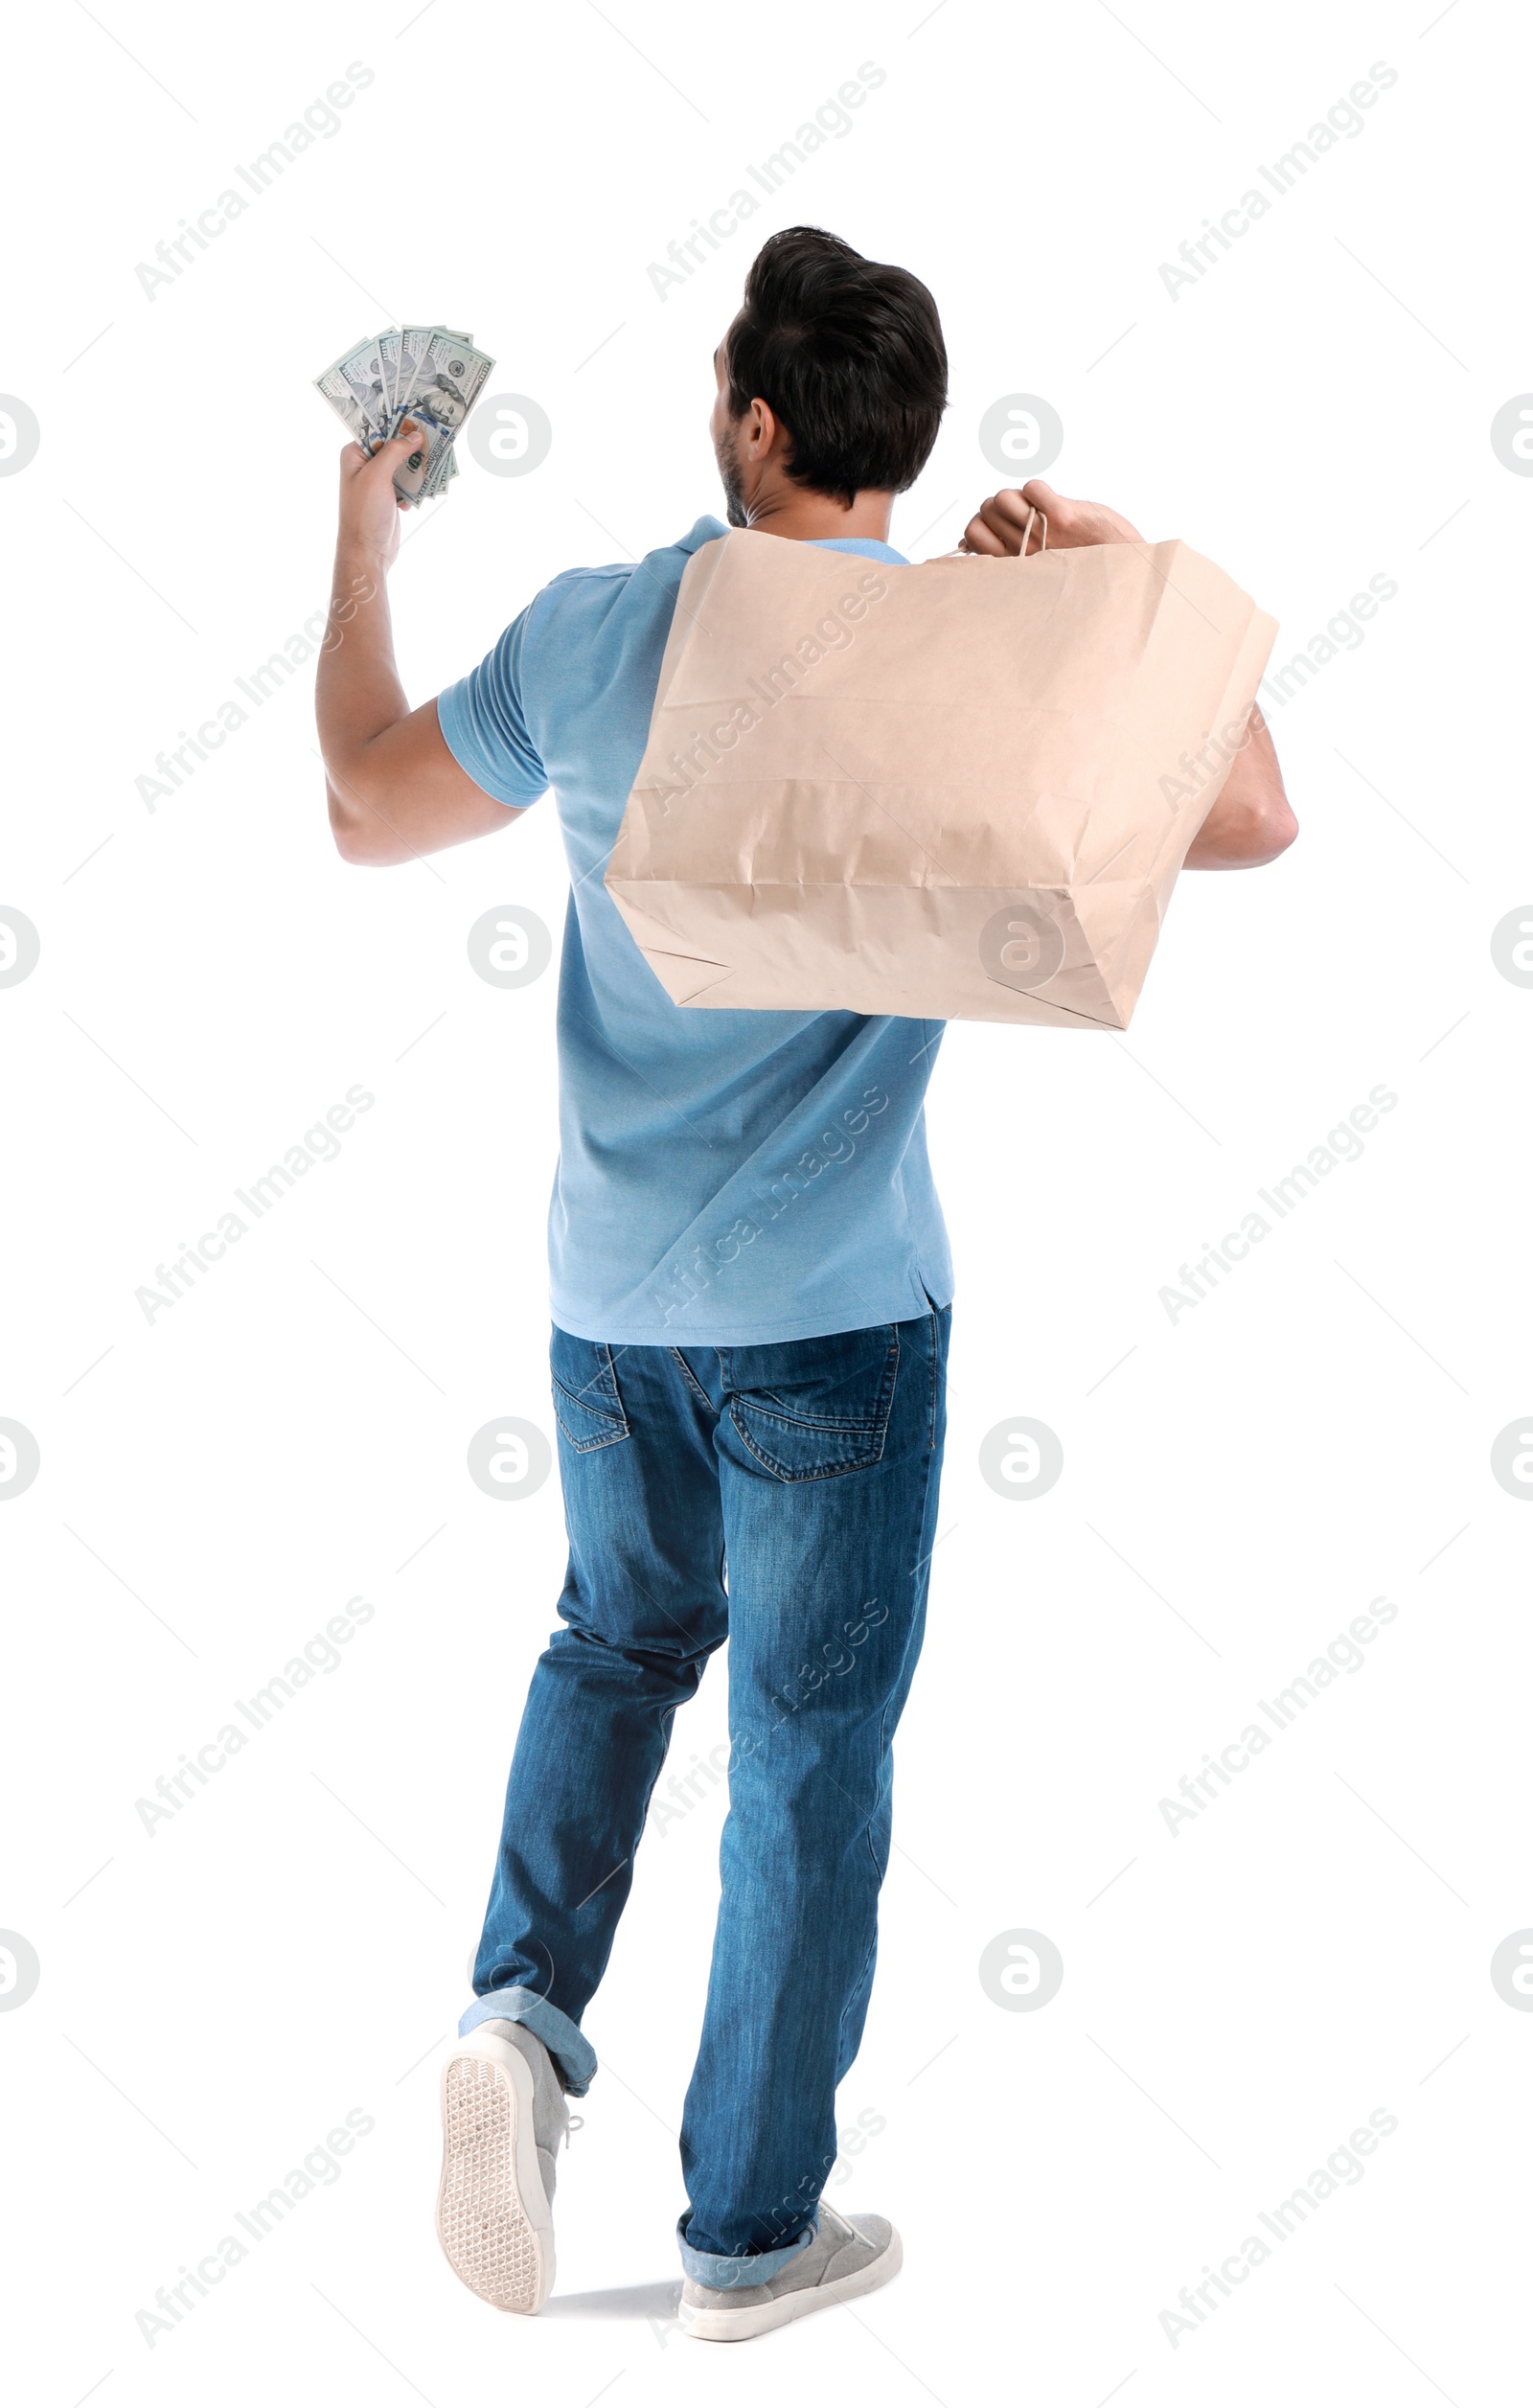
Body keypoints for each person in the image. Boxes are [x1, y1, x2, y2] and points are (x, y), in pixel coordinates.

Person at [316, 225, 1297, 2344]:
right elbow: (1245, 810)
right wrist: (1101, 560)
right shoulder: (971, 666)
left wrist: (361, 530)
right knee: (803, 1756)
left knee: (613, 1638)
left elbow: (359, 805)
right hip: (840, 1326)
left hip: (601, 1317)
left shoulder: (593, 632)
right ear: (900, 447)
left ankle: (516, 2013)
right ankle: (746, 2239)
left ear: (750, 425)